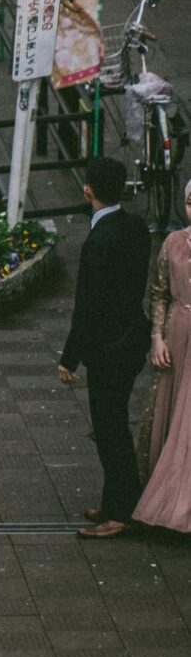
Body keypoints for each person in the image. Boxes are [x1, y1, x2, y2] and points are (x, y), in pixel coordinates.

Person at [58, 155, 152, 537]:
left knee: (110, 427)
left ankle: (121, 511)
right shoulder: (136, 228)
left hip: (108, 348)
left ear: (87, 189)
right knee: (113, 423)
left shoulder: (100, 240)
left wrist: (70, 357)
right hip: (132, 338)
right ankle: (116, 500)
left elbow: (89, 305)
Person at [133, 178, 191, 535]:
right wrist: (157, 337)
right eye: (189, 201)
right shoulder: (173, 242)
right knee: (173, 417)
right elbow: (158, 293)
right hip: (178, 333)